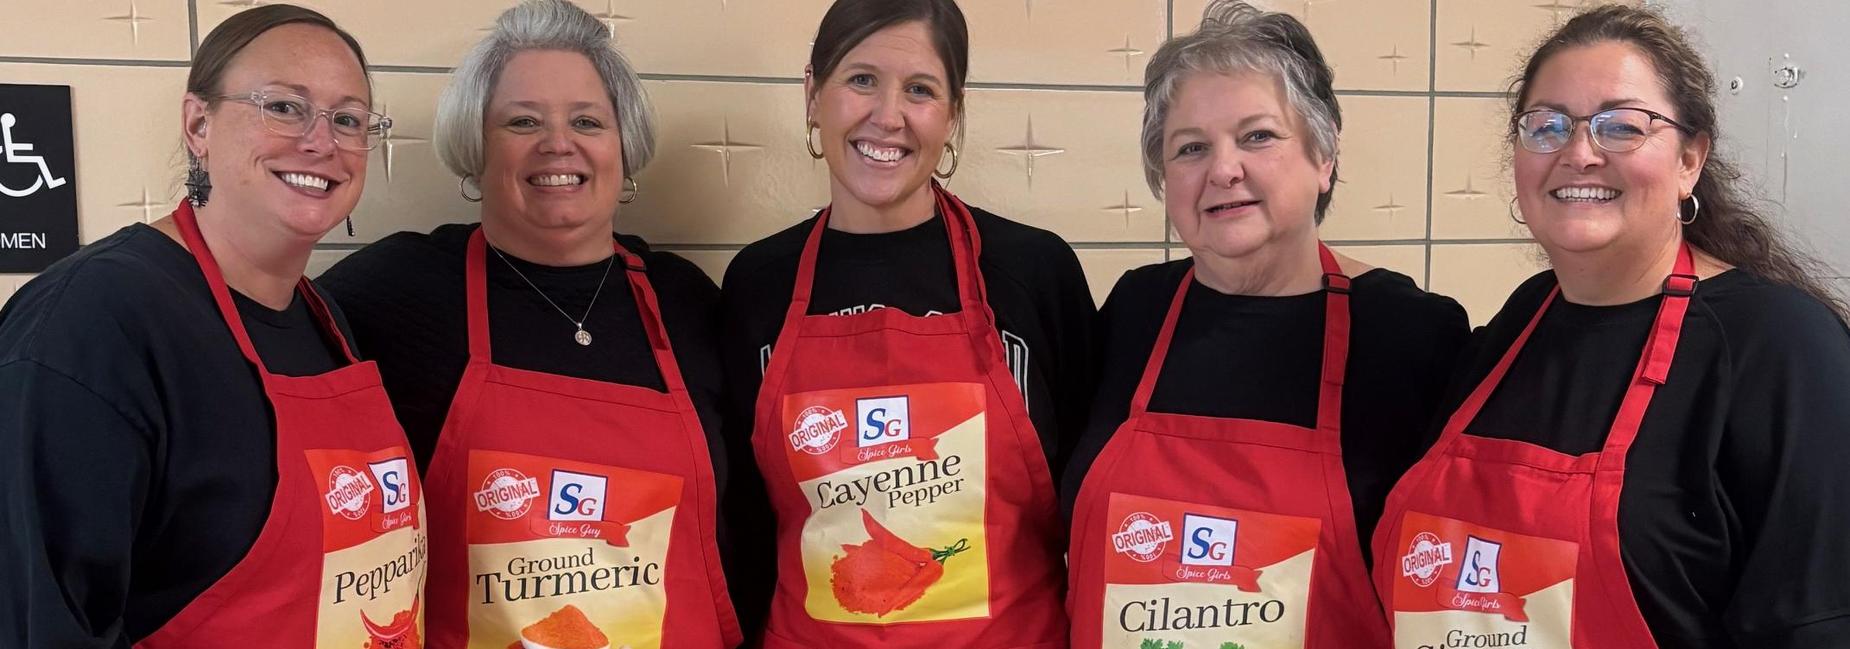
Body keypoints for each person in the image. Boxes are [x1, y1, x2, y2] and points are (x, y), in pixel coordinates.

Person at [1371, 6, 1850, 648]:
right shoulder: (1520, 322)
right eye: (1546, 126)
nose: (1578, 154)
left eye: (1620, 126)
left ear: (1689, 160)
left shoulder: (1781, 347)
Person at [316, 1, 740, 647]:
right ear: (476, 148)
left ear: (623, 150)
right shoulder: (400, 290)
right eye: (522, 121)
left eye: (588, 120)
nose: (557, 143)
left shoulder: (687, 301)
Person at [0, 6, 425, 648]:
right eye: (284, 106)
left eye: (348, 119)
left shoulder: (323, 317)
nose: (321, 141)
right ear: (199, 123)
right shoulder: (93, 320)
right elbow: (40, 624)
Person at [1059, 3, 1467, 647]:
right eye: (1191, 148)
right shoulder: (1135, 310)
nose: (1223, 169)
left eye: (1257, 136)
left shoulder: (1410, 332)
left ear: (1323, 155)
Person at [717, 0, 1095, 644]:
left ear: (952, 115)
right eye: (861, 79)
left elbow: (1090, 502)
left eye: (920, 90)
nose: (887, 117)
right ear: (813, 94)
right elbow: (745, 525)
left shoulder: (1034, 271)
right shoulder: (758, 284)